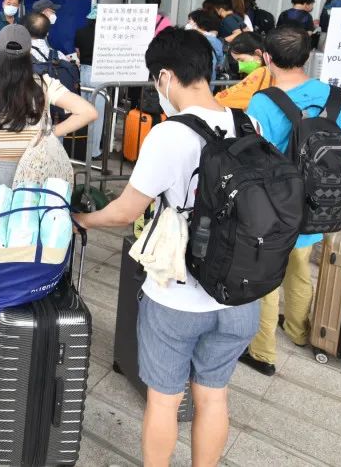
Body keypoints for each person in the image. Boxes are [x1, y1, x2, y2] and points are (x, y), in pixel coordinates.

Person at [72, 27, 261, 467]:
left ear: (165, 77)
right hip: (240, 293)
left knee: (164, 400)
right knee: (213, 397)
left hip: (178, 294)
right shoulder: (246, 122)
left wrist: (84, 219)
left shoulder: (169, 135)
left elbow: (124, 211)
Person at [237, 26, 341, 378]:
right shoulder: (338, 98)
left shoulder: (264, 101)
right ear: (307, 57)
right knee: (302, 270)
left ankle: (262, 351)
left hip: (276, 206)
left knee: (267, 277)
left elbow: (255, 157)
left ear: (267, 59)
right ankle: (299, 330)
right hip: (321, 203)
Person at [0, 24, 97, 196]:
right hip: (34, 167)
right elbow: (89, 112)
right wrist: (51, 132)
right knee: (28, 218)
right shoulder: (44, 84)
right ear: (28, 53)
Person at [214, 33, 274, 110]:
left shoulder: (262, 73)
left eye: (241, 60)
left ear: (258, 53)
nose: (240, 66)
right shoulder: (276, 71)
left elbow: (235, 96)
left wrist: (213, 101)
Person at [76, 6, 104, 160]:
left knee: (83, 112)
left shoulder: (80, 32)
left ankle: (80, 149)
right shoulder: (105, 35)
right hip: (100, 74)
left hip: (84, 73)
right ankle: (93, 152)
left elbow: (78, 52)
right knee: (97, 115)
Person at [187, 8, 224, 82]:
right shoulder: (215, 41)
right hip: (209, 82)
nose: (188, 22)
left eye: (190, 20)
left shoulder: (212, 40)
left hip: (192, 81)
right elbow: (220, 61)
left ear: (197, 23)